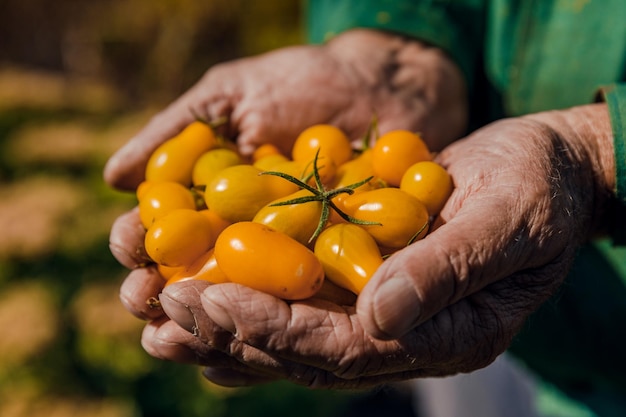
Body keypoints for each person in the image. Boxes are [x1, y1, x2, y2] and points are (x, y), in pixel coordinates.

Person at [104, 1, 626, 416]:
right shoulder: (303, 204)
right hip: (502, 292)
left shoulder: (312, 213)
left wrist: (597, 152)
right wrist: (395, 45)